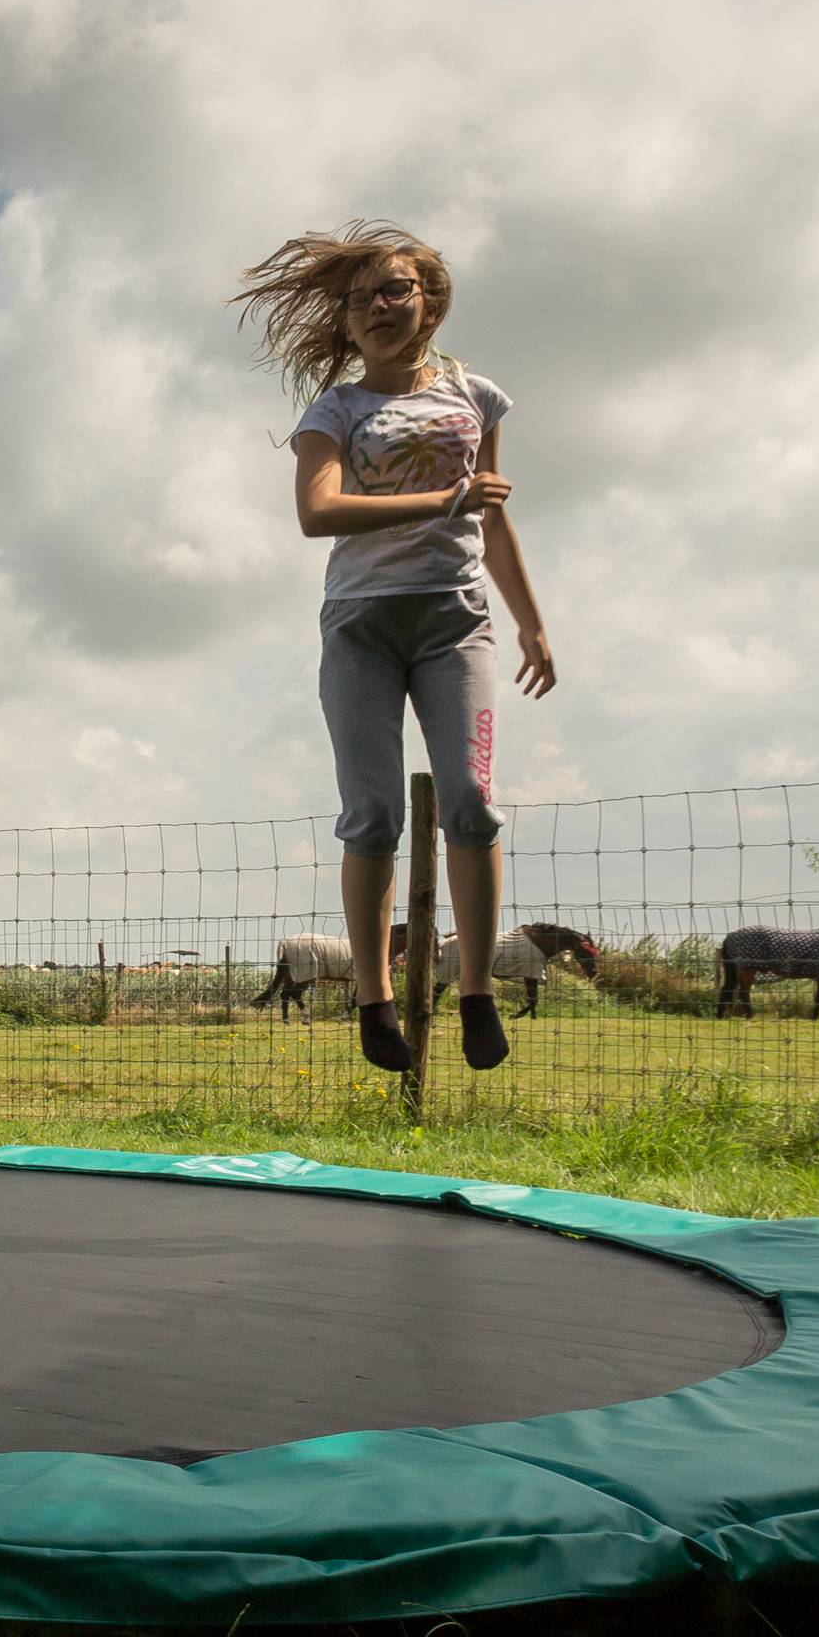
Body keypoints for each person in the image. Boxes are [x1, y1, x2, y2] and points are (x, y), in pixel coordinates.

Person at [231, 221, 558, 1074]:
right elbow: (317, 513)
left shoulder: (477, 398)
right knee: (371, 815)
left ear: (429, 301)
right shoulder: (335, 409)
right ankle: (374, 1002)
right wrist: (438, 503)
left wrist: (530, 619)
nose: (377, 306)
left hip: (456, 621)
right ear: (342, 323)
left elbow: (492, 513)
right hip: (362, 627)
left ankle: (478, 990)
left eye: (394, 290)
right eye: (358, 297)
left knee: (473, 802)